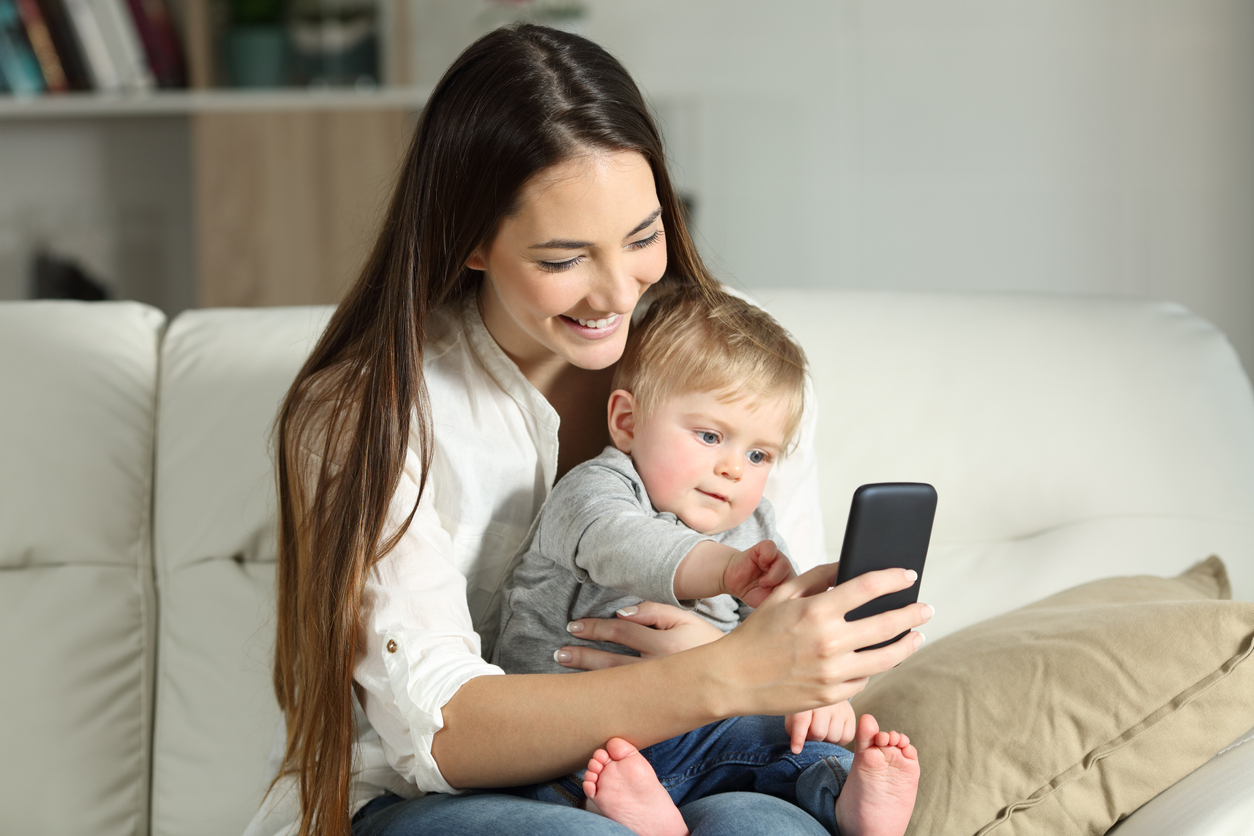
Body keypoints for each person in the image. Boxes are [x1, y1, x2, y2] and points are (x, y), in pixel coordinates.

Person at [244, 22, 932, 836]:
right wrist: (719, 675)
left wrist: (811, 669)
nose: (617, 293)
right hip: (444, 799)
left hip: (700, 763)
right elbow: (439, 733)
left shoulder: (738, 381)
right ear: (470, 240)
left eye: (644, 238)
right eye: (564, 258)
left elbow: (776, 634)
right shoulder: (369, 413)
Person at [493, 288, 920, 836]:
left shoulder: (757, 526)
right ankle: (628, 811)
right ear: (627, 422)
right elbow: (618, 544)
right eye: (711, 435)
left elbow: (777, 645)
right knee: (570, 773)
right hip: (575, 729)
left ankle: (843, 797)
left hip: (703, 738)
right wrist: (723, 570)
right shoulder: (596, 490)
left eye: (758, 454)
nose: (734, 469)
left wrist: (820, 696)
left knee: (793, 743)